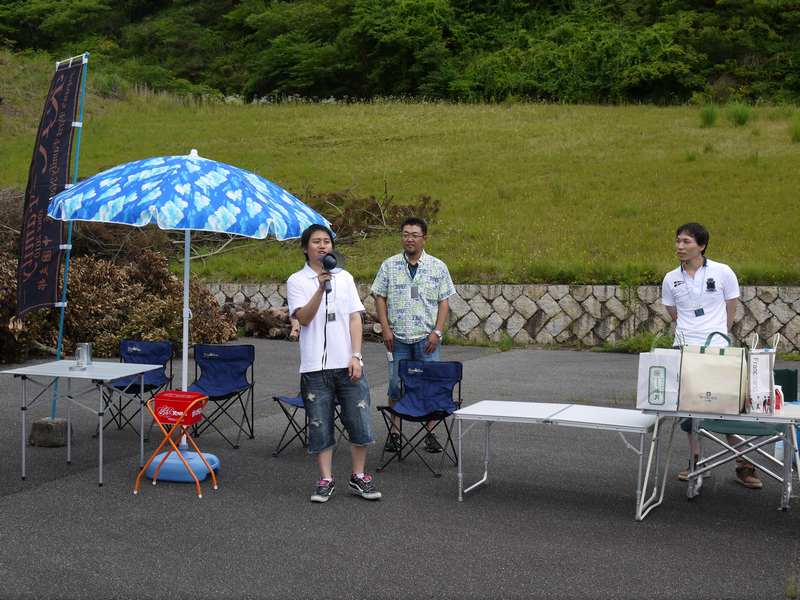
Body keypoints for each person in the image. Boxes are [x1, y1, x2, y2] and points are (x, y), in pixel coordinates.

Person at [661, 222, 761, 489]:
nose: (680, 246)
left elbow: (731, 306)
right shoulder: (671, 278)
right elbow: (673, 312)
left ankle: (744, 463)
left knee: (726, 407)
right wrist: (692, 331)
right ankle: (697, 461)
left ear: (702, 245)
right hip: (684, 349)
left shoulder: (722, 272)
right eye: (678, 241)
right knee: (689, 411)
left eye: (686, 242)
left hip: (718, 350)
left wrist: (719, 334)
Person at [287, 224, 381, 503]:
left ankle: (358, 476)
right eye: (316, 241)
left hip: (347, 364)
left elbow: (355, 318)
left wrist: (357, 355)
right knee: (319, 424)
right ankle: (326, 479)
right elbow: (303, 318)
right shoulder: (297, 280)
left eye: (326, 241)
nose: (322, 246)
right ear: (305, 248)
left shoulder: (345, 277)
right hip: (314, 367)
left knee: (360, 421)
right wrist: (320, 288)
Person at [371, 217, 456, 453]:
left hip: (426, 339)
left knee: (429, 385)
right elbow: (379, 296)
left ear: (424, 238)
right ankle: (395, 433)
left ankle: (430, 433)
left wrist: (437, 332)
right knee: (395, 385)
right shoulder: (389, 265)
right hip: (397, 338)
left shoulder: (438, 266)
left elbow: (444, 301)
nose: (409, 239)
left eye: (414, 235)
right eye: (406, 234)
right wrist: (385, 328)